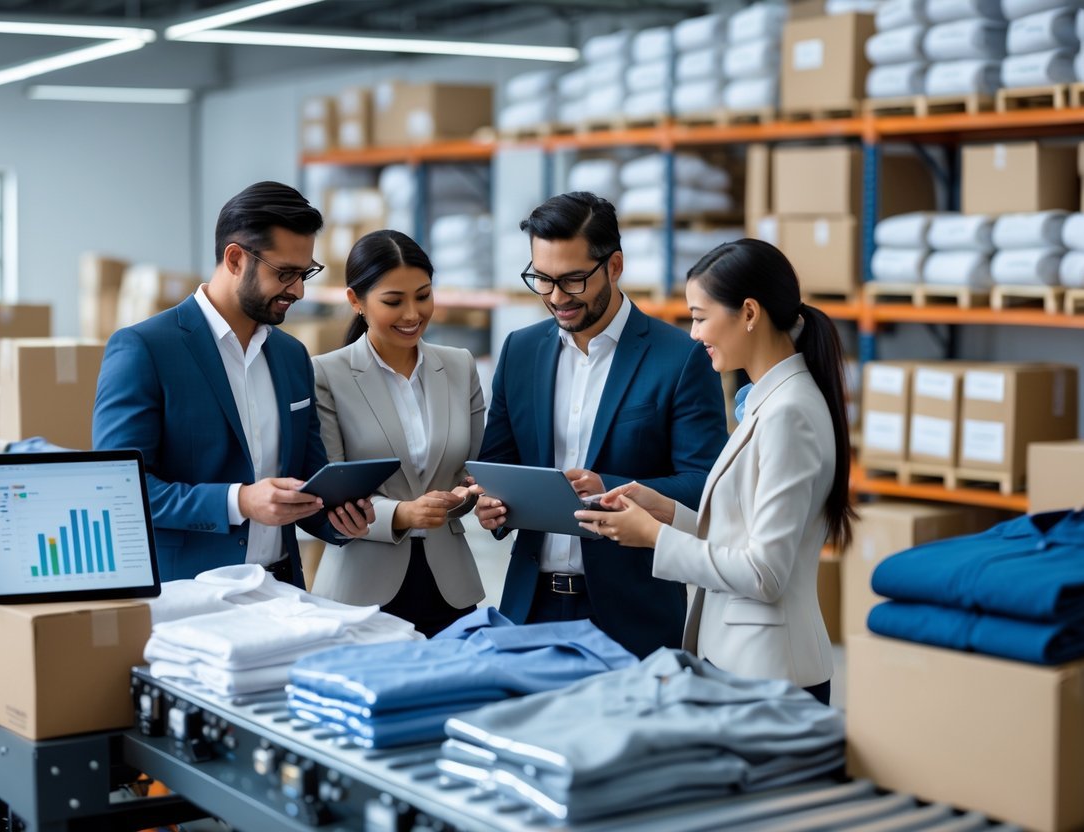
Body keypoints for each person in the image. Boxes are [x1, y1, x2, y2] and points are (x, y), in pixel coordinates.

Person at [576, 238, 854, 704]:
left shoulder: (789, 413)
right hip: (744, 664)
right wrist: (665, 511)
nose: (693, 333)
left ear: (748, 312)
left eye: (700, 316)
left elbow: (765, 573)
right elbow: (742, 537)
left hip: (769, 675)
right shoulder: (772, 402)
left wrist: (654, 538)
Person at [474, 191, 727, 659]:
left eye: (572, 280)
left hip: (634, 616)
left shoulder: (680, 358)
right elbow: (496, 463)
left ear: (614, 267)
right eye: (541, 279)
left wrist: (606, 486)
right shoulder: (520, 351)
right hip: (530, 608)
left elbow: (706, 488)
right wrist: (490, 505)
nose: (555, 298)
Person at [93, 181, 373, 583]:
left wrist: (340, 518)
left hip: (282, 590)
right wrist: (238, 501)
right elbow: (116, 489)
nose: (298, 289)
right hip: (188, 596)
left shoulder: (292, 357)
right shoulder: (144, 349)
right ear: (236, 258)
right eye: (286, 273)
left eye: (305, 272)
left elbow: (309, 480)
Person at [311, 230, 485, 636]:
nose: (412, 314)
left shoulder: (459, 366)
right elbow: (329, 491)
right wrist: (402, 514)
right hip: (360, 592)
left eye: (423, 296)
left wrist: (468, 495)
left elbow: (473, 472)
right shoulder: (326, 374)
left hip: (452, 590)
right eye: (393, 301)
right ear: (356, 301)